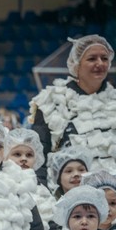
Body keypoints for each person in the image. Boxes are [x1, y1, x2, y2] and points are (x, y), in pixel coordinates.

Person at [30, 35, 115, 185]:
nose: (100, 63)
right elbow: (38, 156)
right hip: (68, 194)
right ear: (76, 65)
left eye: (104, 58)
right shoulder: (51, 100)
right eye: (92, 59)